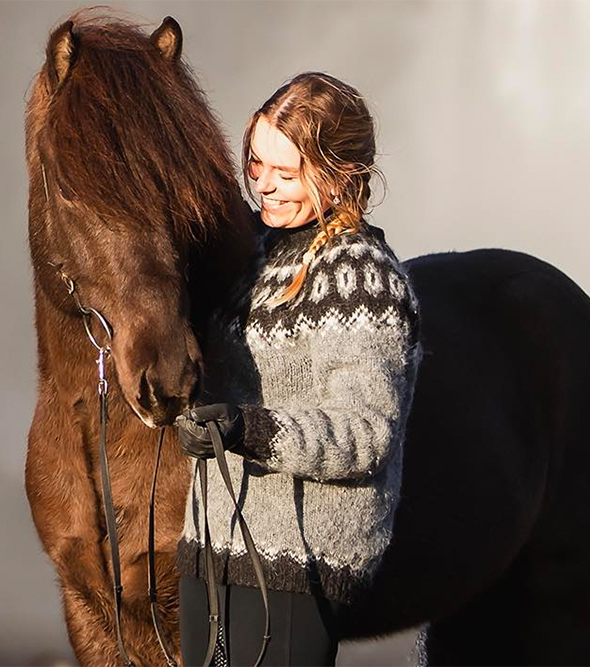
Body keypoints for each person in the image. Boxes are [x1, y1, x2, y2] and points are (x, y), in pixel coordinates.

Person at [174, 72, 424, 666]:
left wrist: (247, 428)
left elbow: (366, 435)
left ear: (340, 176)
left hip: (300, 559)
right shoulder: (246, 256)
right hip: (210, 547)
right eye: (256, 164)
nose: (263, 186)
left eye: (286, 175)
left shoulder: (364, 277)